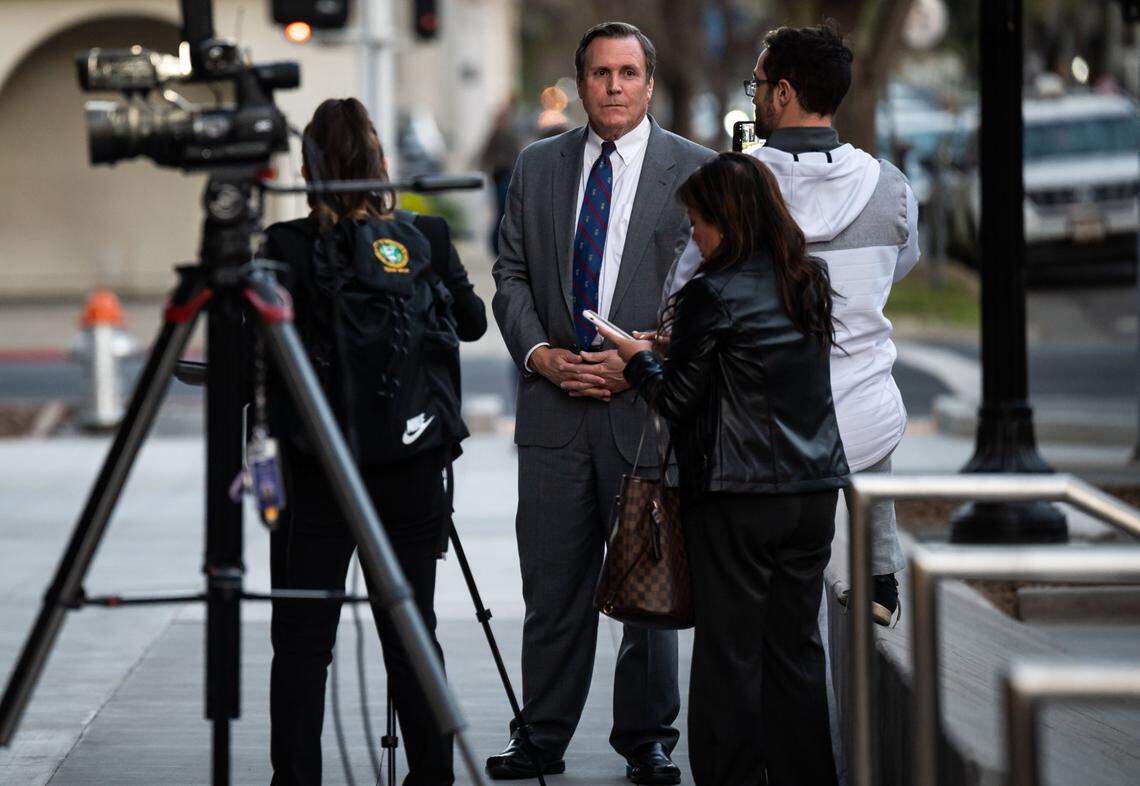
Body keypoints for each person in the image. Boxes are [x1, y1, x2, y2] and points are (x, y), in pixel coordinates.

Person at [489, 21, 713, 784]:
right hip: (552, 413)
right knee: (551, 587)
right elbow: (510, 274)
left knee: (648, 594)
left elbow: (709, 291)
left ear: (649, 83)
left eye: (627, 74)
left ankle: (648, 738)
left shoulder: (697, 170)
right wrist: (541, 356)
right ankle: (541, 737)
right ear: (580, 82)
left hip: (645, 414)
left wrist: (644, 360)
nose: (613, 87)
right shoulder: (537, 165)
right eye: (599, 74)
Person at [596, 152, 848, 786]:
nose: (695, 236)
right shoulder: (806, 279)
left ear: (725, 221)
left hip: (737, 493)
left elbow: (679, 398)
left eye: (698, 222)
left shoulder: (711, 291)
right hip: (814, 488)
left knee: (728, 655)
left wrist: (636, 358)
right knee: (795, 650)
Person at [261, 97, 487, 786]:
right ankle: (433, 777)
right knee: (412, 632)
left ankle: (295, 779)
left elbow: (259, 353)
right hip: (412, 466)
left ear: (307, 170)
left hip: (317, 468)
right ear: (381, 162)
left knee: (303, 640)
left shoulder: (284, 248)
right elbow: (473, 324)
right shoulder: (426, 234)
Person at [664, 23, 920, 626]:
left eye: (756, 84)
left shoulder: (736, 189)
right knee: (868, 400)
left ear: (782, 93)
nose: (753, 96)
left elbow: (683, 293)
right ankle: (880, 572)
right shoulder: (891, 187)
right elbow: (899, 265)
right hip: (864, 421)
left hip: (764, 436)